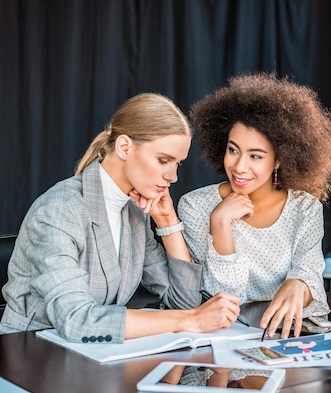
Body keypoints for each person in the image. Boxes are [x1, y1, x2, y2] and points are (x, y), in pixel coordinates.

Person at [0, 93, 241, 343]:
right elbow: (78, 320)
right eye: (163, 160)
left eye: (177, 164)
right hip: (30, 355)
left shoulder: (135, 212)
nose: (173, 176)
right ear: (124, 147)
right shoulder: (59, 209)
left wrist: (168, 222)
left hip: (94, 359)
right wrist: (190, 320)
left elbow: (183, 303)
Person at [179, 73, 331, 340]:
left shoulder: (304, 209)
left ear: (280, 159)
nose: (239, 166)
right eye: (233, 150)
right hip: (220, 344)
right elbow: (223, 303)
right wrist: (220, 224)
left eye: (255, 156)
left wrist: (299, 284)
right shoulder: (196, 206)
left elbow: (310, 271)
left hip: (289, 343)